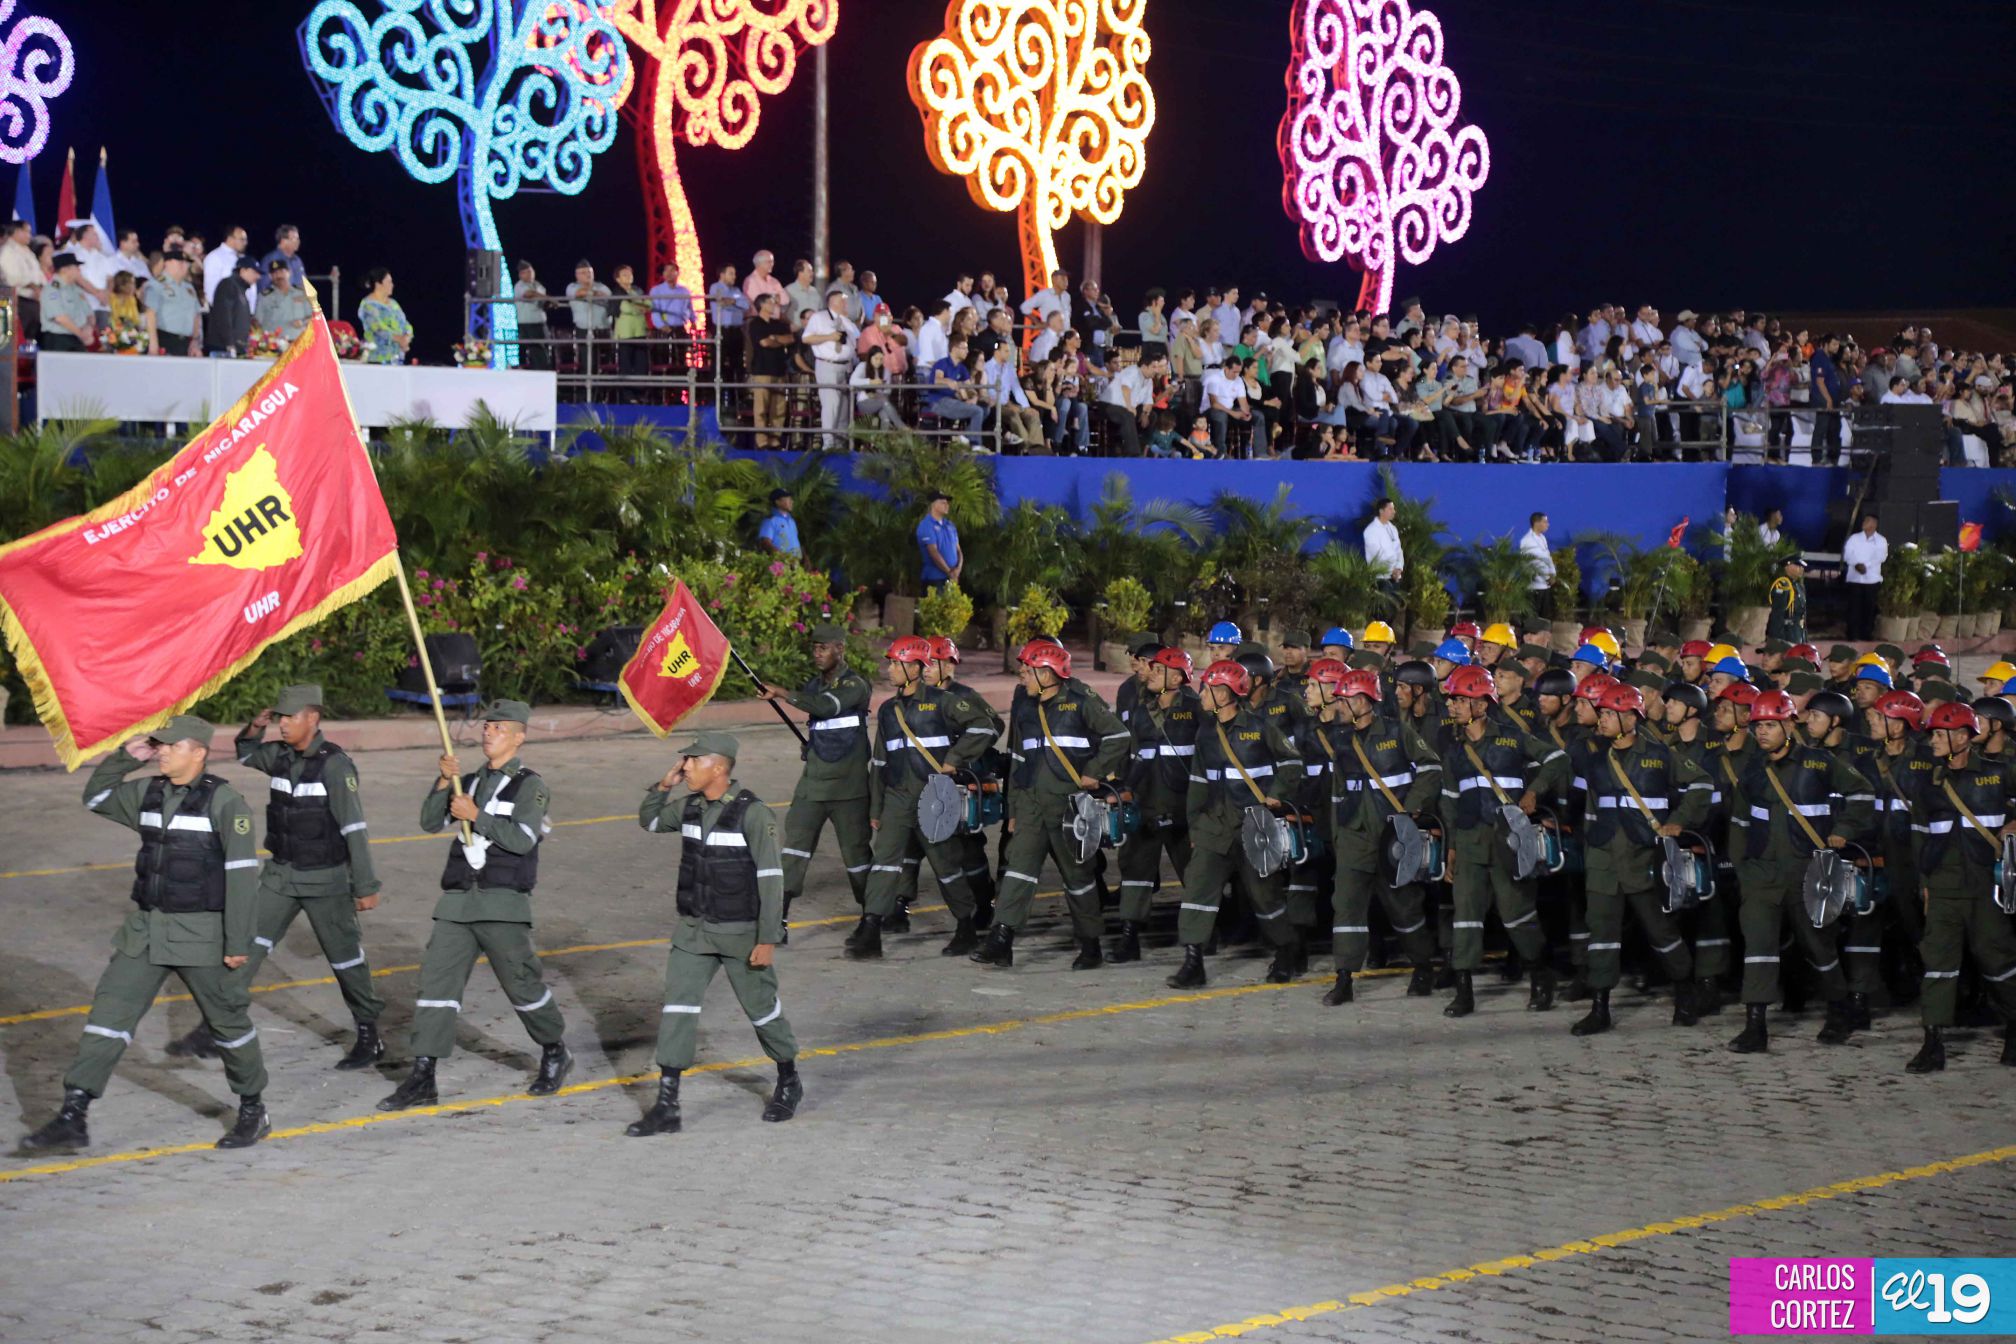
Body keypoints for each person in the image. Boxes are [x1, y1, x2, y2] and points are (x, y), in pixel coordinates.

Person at [19, 716, 272, 1152]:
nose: (161, 751)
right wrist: (122, 759)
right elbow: (95, 797)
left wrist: (237, 943)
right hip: (147, 931)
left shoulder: (225, 803)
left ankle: (253, 1108)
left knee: (228, 1023)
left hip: (202, 934)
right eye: (158, 745)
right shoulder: (149, 793)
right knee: (107, 1019)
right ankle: (73, 1115)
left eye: (170, 746)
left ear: (199, 752)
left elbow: (242, 877)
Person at [161, 686, 385, 1070]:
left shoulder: (335, 765)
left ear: (312, 718)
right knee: (243, 945)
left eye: (289, 718)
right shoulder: (280, 756)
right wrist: (254, 726)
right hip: (280, 876)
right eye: (279, 718)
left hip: (325, 879)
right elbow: (247, 752)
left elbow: (354, 828)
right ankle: (216, 1028)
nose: (282, 725)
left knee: (346, 959)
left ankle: (369, 1035)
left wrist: (365, 885)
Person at [379, 701, 571, 1110]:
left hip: (502, 900)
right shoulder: (467, 781)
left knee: (522, 984)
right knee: (436, 987)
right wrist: (442, 781)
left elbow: (522, 839)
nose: (488, 733)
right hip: (458, 901)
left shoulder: (529, 786)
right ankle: (423, 1076)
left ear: (519, 736)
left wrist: (477, 815)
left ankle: (554, 1049)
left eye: (498, 728)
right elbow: (430, 822)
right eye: (487, 726)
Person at [627, 733, 802, 1134]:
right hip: (693, 930)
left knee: (762, 1010)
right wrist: (663, 785)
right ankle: (667, 1106)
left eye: (691, 761)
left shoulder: (753, 813)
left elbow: (773, 879)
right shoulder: (688, 806)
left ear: (718, 767)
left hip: (741, 932)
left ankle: (789, 1078)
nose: (685, 766)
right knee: (678, 1009)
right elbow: (650, 821)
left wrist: (768, 938)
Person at [1721, 690, 1873, 1054]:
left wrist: (1845, 831)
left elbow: (1863, 794)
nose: (1762, 732)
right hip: (1761, 872)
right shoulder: (1753, 768)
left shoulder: (1819, 763)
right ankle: (1755, 1026)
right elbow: (1740, 821)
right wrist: (1742, 867)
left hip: (1808, 869)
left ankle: (1839, 1010)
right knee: (1758, 947)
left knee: (1817, 945)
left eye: (1771, 725)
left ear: (1789, 724)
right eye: (1758, 725)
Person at [969, 642, 1132, 971]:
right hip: (1031, 805)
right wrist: (1013, 809)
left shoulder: (1081, 702)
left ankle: (1090, 944)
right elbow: (1017, 759)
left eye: (1028, 670)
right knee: (1017, 870)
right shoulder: (1026, 706)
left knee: (1079, 878)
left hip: (1069, 807)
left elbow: (1118, 736)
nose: (1022, 675)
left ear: (1047, 673)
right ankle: (1002, 938)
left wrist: (1093, 772)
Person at [1571, 683, 1714, 1035]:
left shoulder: (1661, 754)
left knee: (1661, 931)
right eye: (1601, 712)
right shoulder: (1593, 757)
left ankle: (1685, 994)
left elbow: (1701, 783)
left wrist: (1679, 821)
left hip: (1644, 856)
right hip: (1604, 856)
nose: (1601, 719)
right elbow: (1586, 807)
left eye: (1608, 713)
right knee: (1601, 934)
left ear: (1630, 718)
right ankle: (1600, 1007)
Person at [1430, 666, 1570, 1017]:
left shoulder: (1513, 737)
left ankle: (1541, 975)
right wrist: (1450, 848)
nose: (1453, 706)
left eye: (1461, 700)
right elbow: (1448, 800)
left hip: (1508, 839)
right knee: (1466, 915)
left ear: (1481, 704)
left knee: (1516, 914)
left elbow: (1557, 759)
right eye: (1452, 700)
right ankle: (1464, 991)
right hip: (1468, 839)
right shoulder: (1454, 751)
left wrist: (1534, 792)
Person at [846, 637, 999, 959]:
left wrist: (955, 758)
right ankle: (872, 928)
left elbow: (984, 727)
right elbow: (880, 762)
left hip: (934, 797)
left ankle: (966, 927)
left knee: (946, 865)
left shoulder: (943, 702)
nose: (889, 669)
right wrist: (877, 807)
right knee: (885, 865)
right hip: (898, 798)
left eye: (895, 664)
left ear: (915, 667)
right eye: (890, 663)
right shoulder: (889, 710)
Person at [1164, 658, 1305, 989]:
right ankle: (1193, 962)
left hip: (1254, 826)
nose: (1203, 694)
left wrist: (1277, 796)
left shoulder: (1261, 728)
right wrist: (1197, 826)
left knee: (1265, 895)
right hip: (1215, 826)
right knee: (1197, 888)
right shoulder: (1206, 734)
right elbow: (1199, 781)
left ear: (1227, 695)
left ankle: (1286, 951)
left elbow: (1292, 762)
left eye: (1209, 689)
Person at [1314, 665, 1443, 1003]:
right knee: (1346, 907)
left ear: (1364, 701)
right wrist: (1338, 836)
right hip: (1354, 836)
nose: (1339, 705)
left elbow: (1430, 769)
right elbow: (1337, 793)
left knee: (1404, 907)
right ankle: (1344, 977)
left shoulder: (1398, 733)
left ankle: (1423, 966)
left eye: (1345, 699)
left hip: (1392, 838)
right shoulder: (1340, 740)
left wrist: (1409, 810)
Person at [1905, 702, 2016, 1073]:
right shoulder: (1930, 783)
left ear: (1963, 737)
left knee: (1998, 961)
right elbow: (1920, 836)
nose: (1933, 740)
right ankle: (1932, 1042)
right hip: (1943, 888)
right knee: (1937, 965)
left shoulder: (2000, 774)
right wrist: (1924, 884)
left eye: (1939, 733)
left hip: (1989, 886)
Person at [758, 624, 874, 935]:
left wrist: (782, 692)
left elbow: (826, 707)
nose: (817, 653)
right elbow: (820, 723)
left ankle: (872, 917)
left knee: (857, 856)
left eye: (824, 647)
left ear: (841, 649)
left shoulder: (856, 685)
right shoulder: (812, 685)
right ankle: (776, 922)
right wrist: (812, 745)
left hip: (848, 788)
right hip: (814, 783)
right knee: (794, 848)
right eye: (814, 647)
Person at [1110, 645, 1200, 963]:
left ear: (1177, 677)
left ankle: (1202, 938)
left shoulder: (1197, 707)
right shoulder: (1140, 707)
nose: (1151, 673)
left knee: (1196, 874)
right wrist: (1124, 789)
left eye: (1159, 670)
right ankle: (1129, 938)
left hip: (1183, 805)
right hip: (1146, 800)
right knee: (1135, 870)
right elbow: (1135, 753)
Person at [802, 286, 861, 449]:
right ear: (834, 302)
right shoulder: (819, 318)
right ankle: (828, 443)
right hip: (828, 365)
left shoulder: (847, 321)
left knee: (843, 407)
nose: (846, 303)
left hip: (846, 367)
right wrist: (829, 337)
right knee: (831, 404)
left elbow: (855, 341)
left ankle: (840, 443)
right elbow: (806, 338)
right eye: (844, 300)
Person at [1841, 513, 1886, 642]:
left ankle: (1866, 635)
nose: (1864, 522)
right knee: (1854, 608)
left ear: (1874, 524)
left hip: (1872, 579)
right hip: (1854, 579)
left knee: (1869, 608)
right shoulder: (1854, 538)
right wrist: (1856, 564)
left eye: (1868, 520)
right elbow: (1848, 554)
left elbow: (1880, 557)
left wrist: (1865, 565)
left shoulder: (1881, 540)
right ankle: (1852, 635)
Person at [204, 254, 260, 356]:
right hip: (223, 349)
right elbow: (223, 316)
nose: (258, 277)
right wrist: (229, 343)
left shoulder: (240, 289)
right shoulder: (228, 285)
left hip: (233, 349)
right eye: (254, 272)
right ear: (243, 270)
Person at [36, 251, 93, 351]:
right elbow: (60, 318)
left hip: (77, 338)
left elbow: (89, 312)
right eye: (76, 267)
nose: (79, 270)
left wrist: (88, 327)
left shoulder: (75, 289)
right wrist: (81, 334)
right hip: (59, 340)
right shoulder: (52, 290)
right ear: (65, 270)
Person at [357, 267, 412, 365]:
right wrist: (399, 339)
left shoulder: (394, 304)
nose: (392, 285)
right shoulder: (368, 305)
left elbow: (406, 324)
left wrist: (407, 338)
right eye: (389, 282)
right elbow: (378, 329)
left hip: (397, 358)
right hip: (377, 359)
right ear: (378, 284)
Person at [254, 259, 312, 345]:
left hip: (298, 342)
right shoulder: (264, 296)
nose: (278, 276)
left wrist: (302, 322)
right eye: (274, 273)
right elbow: (258, 322)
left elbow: (313, 317)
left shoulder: (302, 293)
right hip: (273, 344)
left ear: (289, 272)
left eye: (281, 271)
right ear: (270, 276)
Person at [849, 345, 905, 431]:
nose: (878, 362)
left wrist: (877, 395)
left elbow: (888, 391)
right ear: (870, 358)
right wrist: (870, 382)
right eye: (876, 358)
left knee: (885, 416)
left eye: (881, 359)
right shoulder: (862, 366)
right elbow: (852, 381)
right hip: (864, 402)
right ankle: (902, 427)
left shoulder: (886, 371)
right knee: (884, 402)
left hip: (880, 400)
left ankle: (881, 442)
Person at [917, 490, 961, 591]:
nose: (947, 505)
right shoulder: (926, 526)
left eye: (947, 503)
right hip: (935, 579)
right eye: (943, 503)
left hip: (951, 578)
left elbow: (958, 550)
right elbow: (933, 552)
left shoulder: (950, 525)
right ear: (934, 505)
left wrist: (958, 569)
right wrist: (950, 572)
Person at [511, 261, 550, 369]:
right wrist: (546, 298)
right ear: (520, 275)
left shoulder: (538, 285)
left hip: (540, 322)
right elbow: (528, 294)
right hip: (528, 323)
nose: (529, 274)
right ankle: (541, 372)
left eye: (530, 271)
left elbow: (543, 300)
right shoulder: (519, 286)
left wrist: (548, 302)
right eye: (525, 272)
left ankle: (544, 370)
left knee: (544, 348)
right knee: (536, 350)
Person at [1519, 512, 1556, 615]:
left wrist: (1552, 574)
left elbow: (1548, 557)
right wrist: (1546, 577)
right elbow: (1535, 562)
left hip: (1545, 585)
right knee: (1533, 618)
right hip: (1534, 586)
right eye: (1545, 522)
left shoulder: (1542, 538)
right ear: (1536, 523)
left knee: (1545, 616)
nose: (1547, 524)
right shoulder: (1527, 540)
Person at [202, 224, 248, 305]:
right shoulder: (214, 257)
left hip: (242, 311)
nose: (245, 243)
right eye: (242, 239)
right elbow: (210, 290)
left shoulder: (242, 258)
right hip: (225, 312)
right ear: (230, 239)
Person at [1766, 555, 1808, 644]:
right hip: (1786, 634)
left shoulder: (1798, 586)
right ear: (1788, 566)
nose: (1801, 569)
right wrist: (1778, 640)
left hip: (1797, 633)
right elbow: (1777, 615)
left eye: (1802, 566)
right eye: (1798, 566)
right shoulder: (1782, 585)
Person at [1363, 496, 1404, 583]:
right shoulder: (1370, 531)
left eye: (1393, 509)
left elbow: (1398, 550)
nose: (1394, 511)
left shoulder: (1393, 529)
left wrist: (1399, 568)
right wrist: (1391, 570)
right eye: (1390, 509)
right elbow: (1375, 555)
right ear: (1381, 511)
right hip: (1380, 579)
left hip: (1395, 577)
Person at [260, 224, 305, 294]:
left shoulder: (297, 260)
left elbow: (304, 284)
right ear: (283, 241)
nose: (298, 241)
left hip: (298, 302)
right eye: (294, 238)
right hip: (279, 302)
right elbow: (264, 286)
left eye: (298, 238)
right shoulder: (271, 259)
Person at [756, 487, 800, 557]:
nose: (792, 501)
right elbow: (765, 543)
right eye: (788, 499)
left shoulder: (792, 521)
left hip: (796, 564)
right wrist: (783, 558)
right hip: (781, 565)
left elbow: (795, 541)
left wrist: (804, 558)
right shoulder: (770, 521)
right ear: (778, 502)